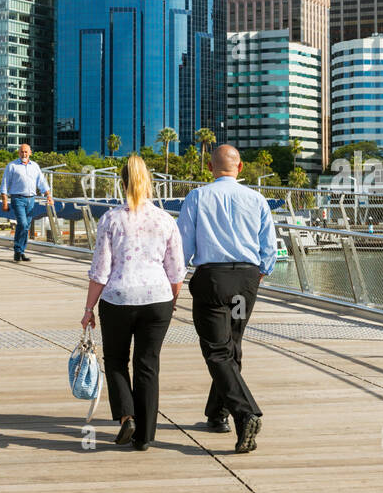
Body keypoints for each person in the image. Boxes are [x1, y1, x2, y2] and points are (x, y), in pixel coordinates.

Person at [177, 144, 277, 454]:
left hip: (213, 280)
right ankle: (217, 413)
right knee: (232, 346)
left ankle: (245, 413)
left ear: (210, 167)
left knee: (217, 351)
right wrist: (258, 275)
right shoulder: (257, 199)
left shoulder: (197, 197)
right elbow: (269, 247)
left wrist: (176, 280)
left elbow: (183, 246)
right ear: (241, 168)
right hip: (245, 281)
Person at [82, 155, 185, 451]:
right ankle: (146, 436)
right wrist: (172, 300)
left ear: (122, 183)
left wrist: (89, 309)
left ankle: (127, 416)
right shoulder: (166, 220)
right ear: (149, 183)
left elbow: (100, 271)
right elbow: (176, 271)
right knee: (147, 364)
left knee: (115, 360)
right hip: (158, 299)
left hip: (118, 298)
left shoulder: (110, 219)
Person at [0, 143, 52, 263]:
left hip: (31, 199)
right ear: (19, 153)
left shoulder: (35, 166)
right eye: (22, 152)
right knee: (23, 224)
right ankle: (18, 249)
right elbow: (5, 184)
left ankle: (20, 251)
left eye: (26, 152)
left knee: (26, 226)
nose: (24, 154)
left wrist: (48, 195)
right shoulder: (12, 166)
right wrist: (4, 202)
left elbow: (42, 182)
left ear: (30, 153)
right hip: (17, 198)